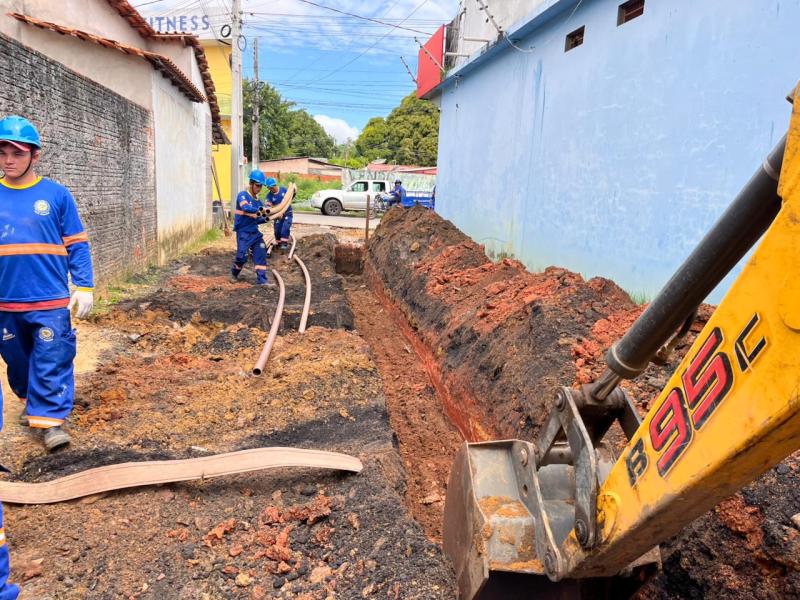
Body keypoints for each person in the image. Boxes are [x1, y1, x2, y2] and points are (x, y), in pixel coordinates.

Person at [0, 115, 94, 453]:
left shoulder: (56, 195)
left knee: (52, 356)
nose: (9, 160)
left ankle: (51, 421)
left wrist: (84, 286)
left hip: (49, 299)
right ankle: (30, 401)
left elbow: (77, 244)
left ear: (34, 156)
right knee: (18, 361)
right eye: (3, 153)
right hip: (6, 302)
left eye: (17, 153)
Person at [231, 170, 270, 285]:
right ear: (251, 183)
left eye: (261, 186)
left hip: (254, 233)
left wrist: (269, 218)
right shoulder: (242, 195)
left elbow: (257, 219)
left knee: (261, 252)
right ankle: (234, 273)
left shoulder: (259, 202)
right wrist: (262, 210)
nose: (259, 188)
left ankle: (262, 280)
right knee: (242, 256)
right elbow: (246, 208)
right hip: (243, 232)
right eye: (257, 185)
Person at [265, 177, 293, 251]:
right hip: (277, 216)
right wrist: (274, 210)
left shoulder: (284, 190)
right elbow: (267, 207)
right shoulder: (269, 196)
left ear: (275, 185)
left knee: (285, 227)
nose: (271, 189)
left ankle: (284, 243)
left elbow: (290, 198)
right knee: (277, 230)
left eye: (272, 187)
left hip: (287, 213)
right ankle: (279, 243)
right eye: (269, 188)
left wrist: (282, 210)